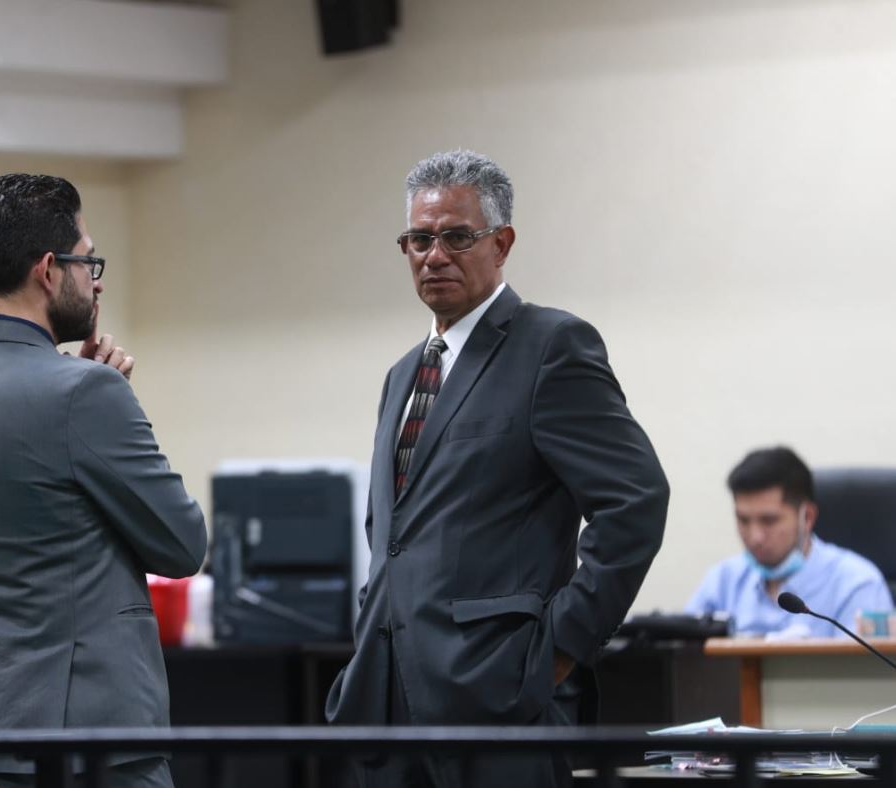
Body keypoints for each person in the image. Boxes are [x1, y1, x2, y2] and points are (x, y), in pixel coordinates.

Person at [324, 150, 669, 787]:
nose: (434, 255)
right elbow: (391, 536)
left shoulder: (550, 347)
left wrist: (559, 649)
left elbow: (636, 502)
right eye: (419, 239)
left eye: (457, 236)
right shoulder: (402, 375)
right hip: (387, 707)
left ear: (501, 243)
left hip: (500, 700)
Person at [0, 173, 207, 788]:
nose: (95, 279)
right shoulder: (89, 393)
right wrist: (110, 399)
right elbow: (181, 546)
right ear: (48, 269)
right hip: (87, 734)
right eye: (88, 261)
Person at [686, 446, 893, 639]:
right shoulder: (722, 580)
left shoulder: (858, 584)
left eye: (769, 520)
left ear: (808, 517)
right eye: (743, 520)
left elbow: (866, 674)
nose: (755, 536)